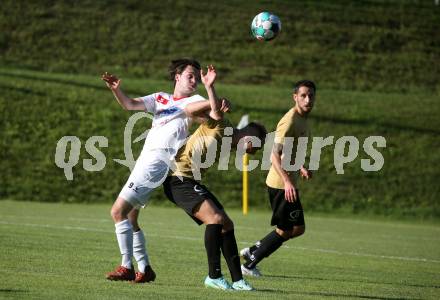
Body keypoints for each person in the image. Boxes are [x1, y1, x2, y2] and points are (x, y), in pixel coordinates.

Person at [101, 59, 219, 283]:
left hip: (158, 161)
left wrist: (210, 87)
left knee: (117, 212)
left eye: (196, 77)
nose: (194, 80)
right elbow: (129, 105)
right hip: (145, 160)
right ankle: (144, 268)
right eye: (190, 76)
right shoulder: (160, 98)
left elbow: (214, 112)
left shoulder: (195, 100)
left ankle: (126, 265)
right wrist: (117, 90)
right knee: (131, 217)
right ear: (177, 76)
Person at [163, 98, 267, 291]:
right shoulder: (223, 127)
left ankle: (238, 280)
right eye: (256, 147)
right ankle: (214, 276)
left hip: (190, 182)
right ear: (251, 135)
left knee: (227, 224)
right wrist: (212, 92)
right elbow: (197, 113)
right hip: (177, 180)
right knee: (216, 219)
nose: (253, 153)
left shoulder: (229, 142)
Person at [240, 80, 316, 277]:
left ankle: (253, 250)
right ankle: (249, 265)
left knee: (297, 229)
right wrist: (288, 181)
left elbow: (290, 150)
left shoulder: (303, 119)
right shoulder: (290, 120)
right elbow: (273, 155)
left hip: (288, 183)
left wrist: (300, 167)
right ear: (295, 97)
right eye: (304, 95)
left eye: (311, 95)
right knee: (286, 230)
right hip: (281, 184)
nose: (308, 99)